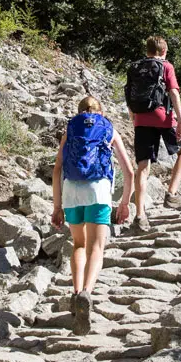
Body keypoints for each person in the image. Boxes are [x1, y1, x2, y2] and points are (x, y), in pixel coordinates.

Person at [52, 96, 133, 334]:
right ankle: (87, 292)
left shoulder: (70, 129)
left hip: (71, 191)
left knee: (78, 244)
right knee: (96, 247)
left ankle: (76, 293)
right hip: (98, 190)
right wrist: (125, 203)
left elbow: (57, 168)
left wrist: (57, 206)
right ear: (101, 111)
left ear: (79, 112)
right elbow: (129, 170)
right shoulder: (108, 129)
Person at [125, 35, 181, 233]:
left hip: (141, 119)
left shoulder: (134, 68)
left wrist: (134, 118)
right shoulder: (166, 66)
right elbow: (174, 93)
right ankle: (171, 194)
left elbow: (129, 95)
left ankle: (140, 215)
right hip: (163, 118)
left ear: (147, 50)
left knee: (143, 166)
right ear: (164, 51)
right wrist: (180, 120)